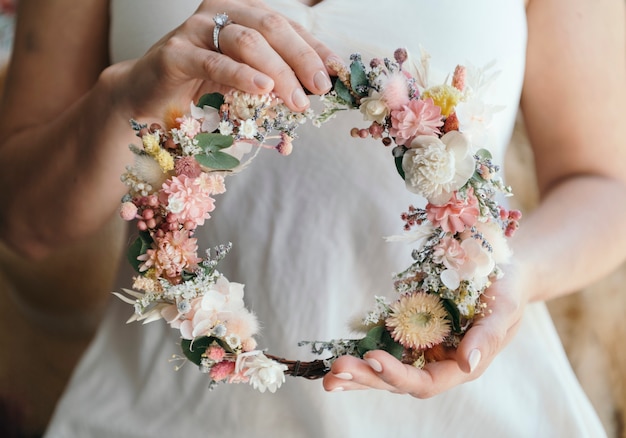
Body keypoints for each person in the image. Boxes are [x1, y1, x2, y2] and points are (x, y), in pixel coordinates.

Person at [1, 0, 625, 436]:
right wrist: (121, 100)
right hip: (160, 415)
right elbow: (22, 221)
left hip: (474, 413)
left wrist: (510, 276)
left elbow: (604, 183)